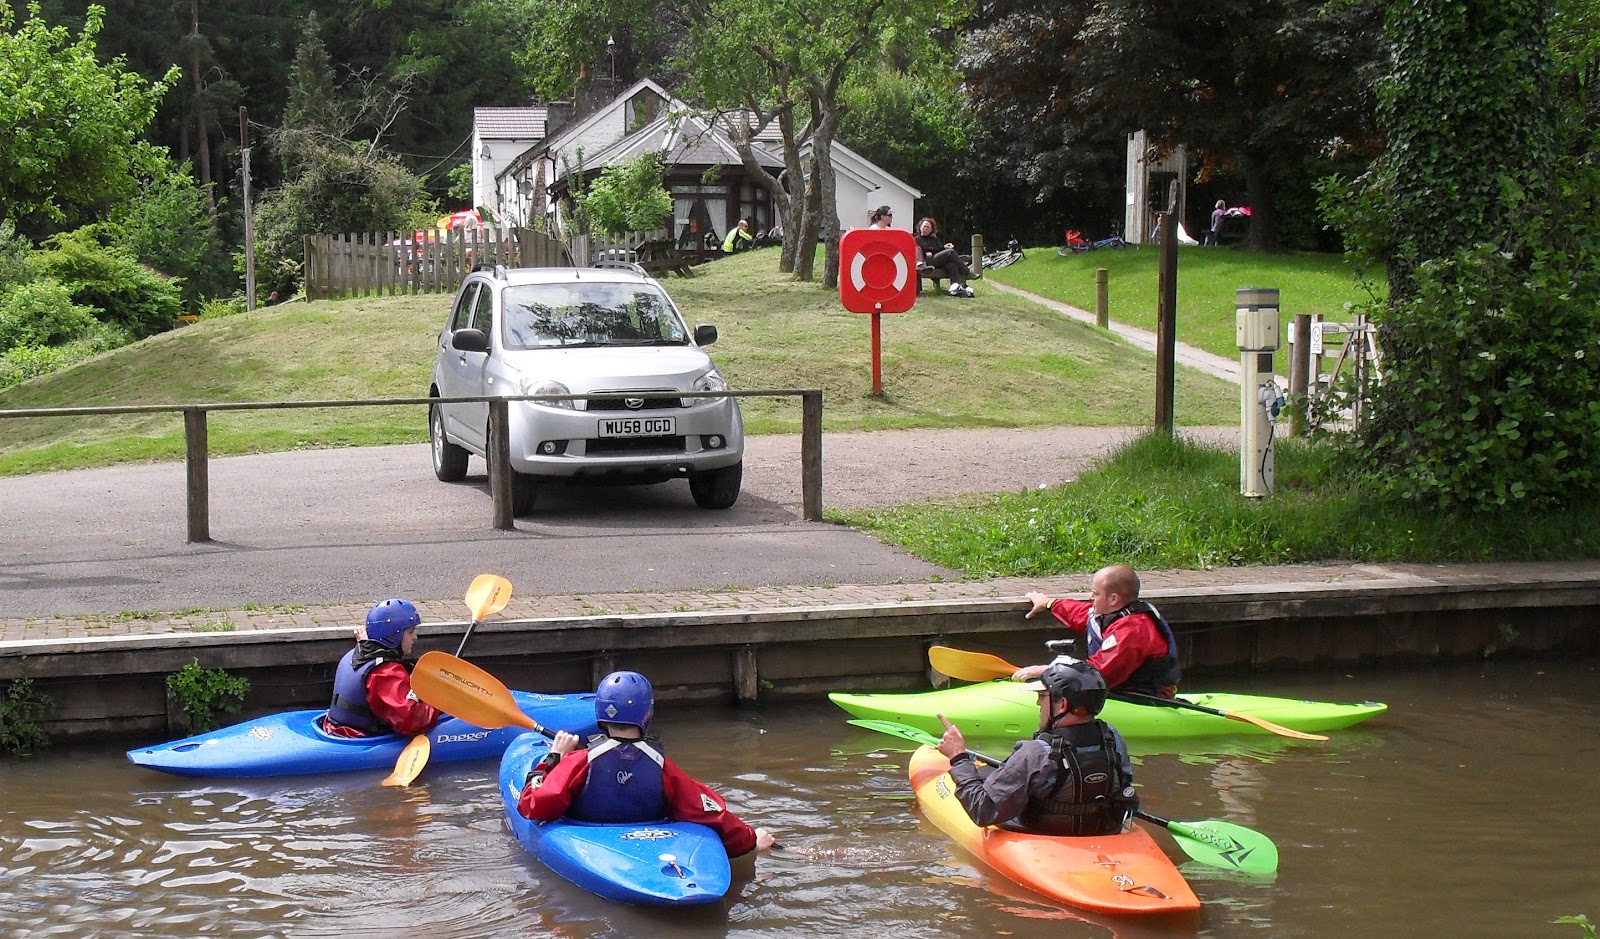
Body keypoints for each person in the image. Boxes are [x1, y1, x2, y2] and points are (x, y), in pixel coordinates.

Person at [517, 670, 775, 861]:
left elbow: (535, 804)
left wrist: (552, 758)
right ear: (647, 714)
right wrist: (751, 839)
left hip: (591, 838)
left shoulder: (578, 762)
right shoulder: (662, 766)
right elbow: (711, 812)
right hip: (647, 839)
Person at [936, 661, 1138, 836]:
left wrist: (958, 758)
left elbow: (983, 811)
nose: (1038, 703)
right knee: (990, 772)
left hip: (1043, 834)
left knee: (981, 777)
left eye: (1043, 696)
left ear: (1062, 704)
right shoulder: (1112, 738)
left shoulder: (1036, 752)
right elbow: (1123, 785)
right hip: (1102, 831)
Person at [1013, 564, 1181, 698]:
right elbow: (1080, 613)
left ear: (1113, 599)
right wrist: (1049, 603)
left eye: (1095, 593)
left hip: (1147, 697)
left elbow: (1097, 672)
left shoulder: (1133, 630)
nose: (1090, 597)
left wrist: (1047, 670)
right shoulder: (1110, 614)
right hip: (1120, 687)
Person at [322, 598, 442, 738]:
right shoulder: (384, 673)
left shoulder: (359, 651)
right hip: (358, 737)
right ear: (393, 636)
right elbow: (413, 722)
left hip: (338, 727)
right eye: (410, 632)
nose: (415, 637)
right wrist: (440, 702)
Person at [914, 217, 974, 298]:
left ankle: (955, 289)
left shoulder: (934, 239)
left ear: (931, 230)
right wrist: (939, 249)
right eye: (924, 226)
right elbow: (926, 249)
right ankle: (966, 271)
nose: (925, 229)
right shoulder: (917, 239)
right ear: (920, 227)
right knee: (950, 252)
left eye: (928, 227)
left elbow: (939, 248)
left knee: (952, 265)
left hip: (937, 259)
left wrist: (942, 248)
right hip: (927, 263)